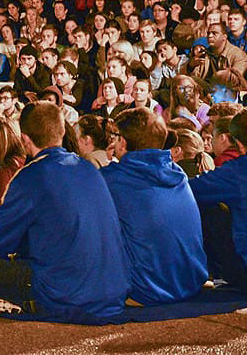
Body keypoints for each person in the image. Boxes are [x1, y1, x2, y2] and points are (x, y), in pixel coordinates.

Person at [0, 102, 129, 318]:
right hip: (111, 290)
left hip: (63, 293)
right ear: (63, 131)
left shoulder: (30, 175)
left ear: (25, 140)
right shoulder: (87, 168)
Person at [104, 108, 208, 304]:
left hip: (146, 291)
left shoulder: (112, 179)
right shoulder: (178, 173)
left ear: (124, 142)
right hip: (190, 283)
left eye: (116, 136)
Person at [189, 110, 247, 291]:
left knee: (214, 210)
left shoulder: (236, 172)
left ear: (238, 144)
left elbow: (190, 190)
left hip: (242, 269)